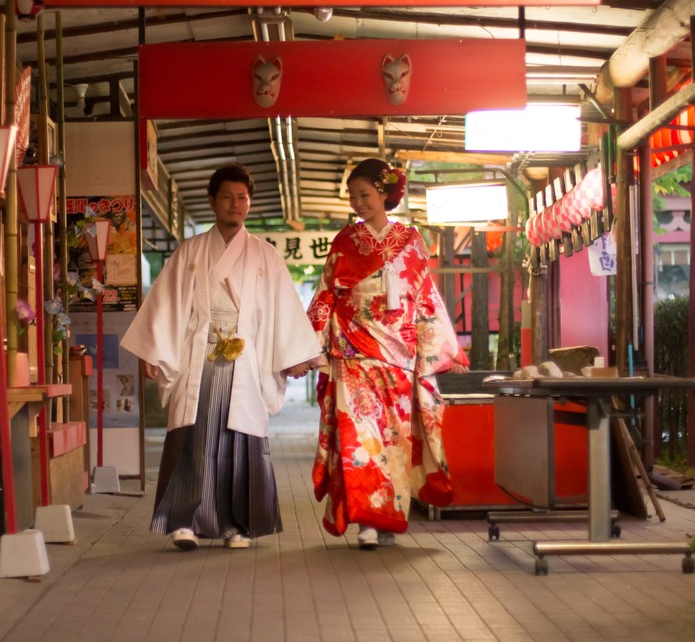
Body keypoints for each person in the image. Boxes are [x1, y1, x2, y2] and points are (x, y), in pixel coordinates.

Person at [121, 164, 320, 550]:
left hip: (247, 358)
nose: (235, 205)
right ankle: (184, 521)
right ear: (212, 201)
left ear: (249, 202)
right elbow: (168, 305)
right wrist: (155, 351)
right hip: (197, 351)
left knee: (238, 439)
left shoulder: (265, 255)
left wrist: (295, 355)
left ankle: (238, 524)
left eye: (242, 198)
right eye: (227, 197)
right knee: (193, 435)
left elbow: (282, 310)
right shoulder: (191, 252)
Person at [305, 158, 468, 549]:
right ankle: (366, 521)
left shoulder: (411, 240)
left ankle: (388, 516)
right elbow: (327, 292)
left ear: (385, 193)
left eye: (365, 194)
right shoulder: (345, 241)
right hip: (353, 349)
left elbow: (425, 296)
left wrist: (444, 350)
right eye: (353, 196)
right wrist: (309, 346)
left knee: (393, 439)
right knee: (359, 437)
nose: (358, 203)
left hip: (398, 352)